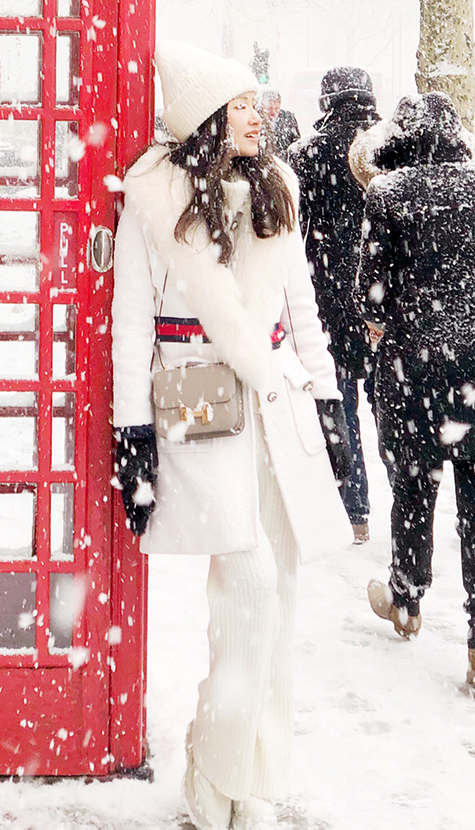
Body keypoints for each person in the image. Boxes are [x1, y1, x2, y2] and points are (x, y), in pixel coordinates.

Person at [112, 41, 352, 830]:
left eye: (258, 102)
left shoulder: (279, 187)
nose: (260, 113)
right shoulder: (154, 202)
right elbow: (129, 326)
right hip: (200, 401)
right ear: (208, 118)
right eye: (244, 103)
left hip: (276, 409)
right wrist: (132, 434)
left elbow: (303, 304)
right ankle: (209, 765)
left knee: (278, 602)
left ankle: (255, 781)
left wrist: (328, 401)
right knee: (245, 590)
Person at [355, 93, 475, 700]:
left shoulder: (388, 195)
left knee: (413, 491)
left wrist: (390, 323)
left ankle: (406, 601)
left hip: (416, 372)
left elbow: (371, 297)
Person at [288, 67, 380, 542]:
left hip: (328, 296)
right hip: (386, 299)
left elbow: (289, 231)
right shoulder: (388, 151)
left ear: (328, 100)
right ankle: (413, 499)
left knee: (340, 405)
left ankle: (353, 506)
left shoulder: (307, 153)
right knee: (394, 410)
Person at [259, 89, 300, 155]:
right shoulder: (256, 119)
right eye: (269, 109)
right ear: (262, 106)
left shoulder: (288, 118)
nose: (273, 112)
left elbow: (296, 143)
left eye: (276, 108)